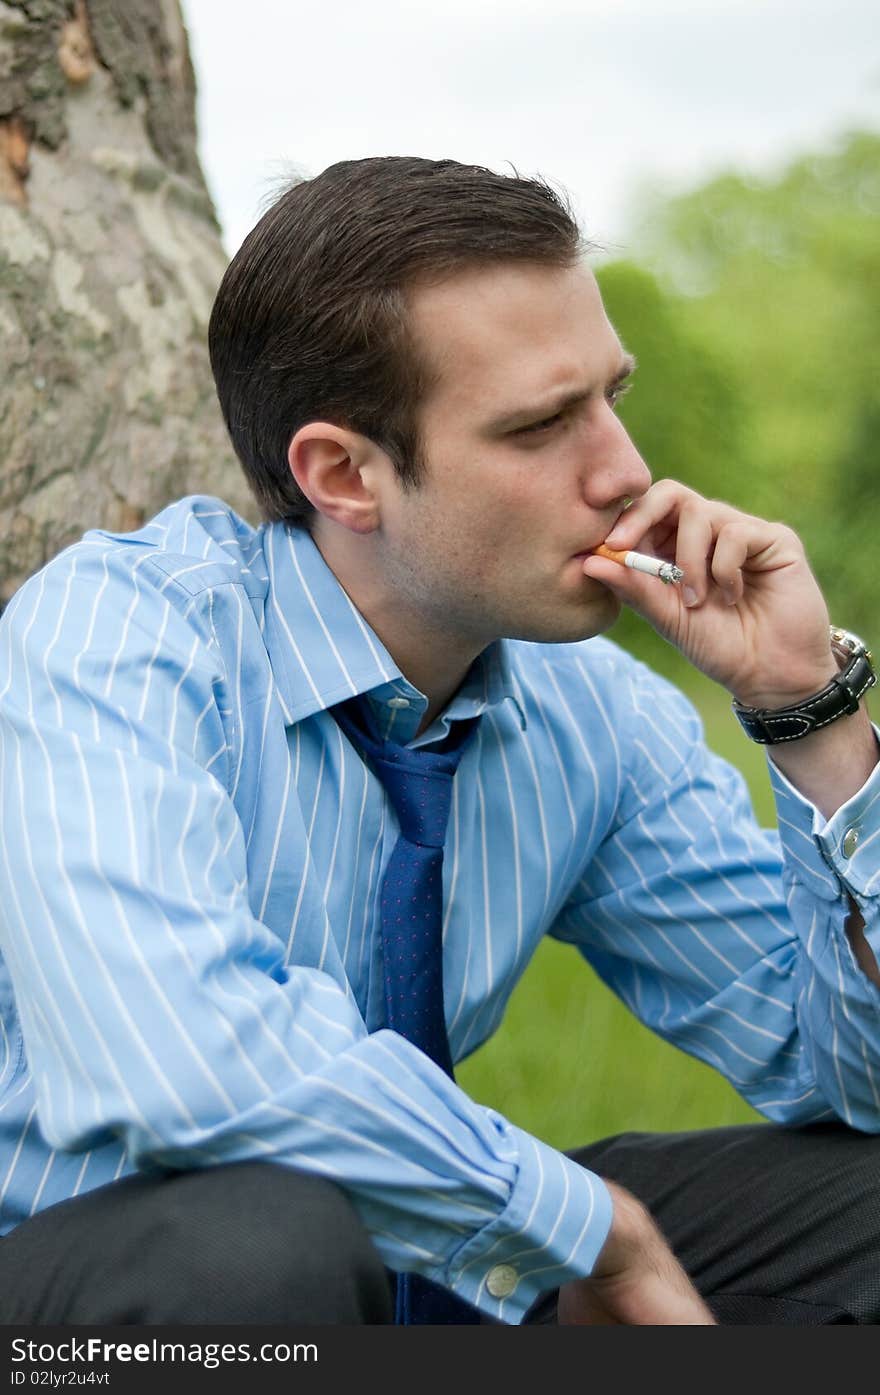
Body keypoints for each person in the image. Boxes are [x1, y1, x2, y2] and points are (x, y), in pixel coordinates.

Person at [0, 155, 877, 1328]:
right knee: (260, 1241)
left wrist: (807, 709)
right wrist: (585, 1229)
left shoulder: (590, 711)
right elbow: (178, 1067)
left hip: (427, 1259)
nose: (623, 470)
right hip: (95, 1293)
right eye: (539, 426)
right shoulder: (123, 632)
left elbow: (841, 1075)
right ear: (343, 475)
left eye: (609, 396)